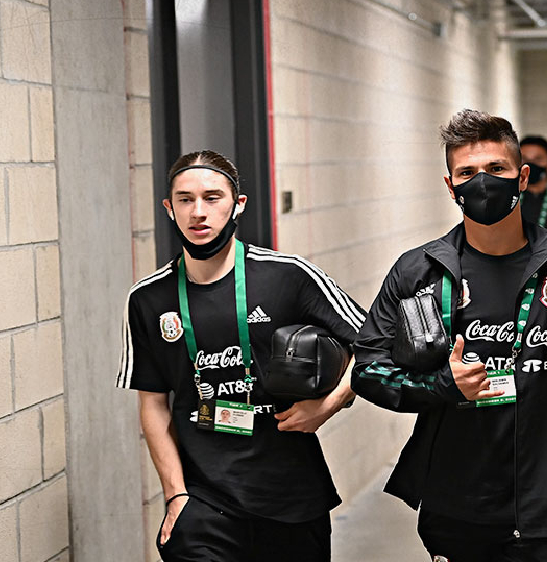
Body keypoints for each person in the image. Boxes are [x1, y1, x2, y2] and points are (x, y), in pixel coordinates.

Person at [351, 110, 547, 562]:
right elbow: (369, 371)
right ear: (450, 187)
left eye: (496, 169)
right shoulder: (418, 271)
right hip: (455, 505)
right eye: (467, 173)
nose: (482, 183)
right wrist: (441, 386)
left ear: (523, 177)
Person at [116, 150, 365, 562]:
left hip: (292, 496)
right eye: (185, 199)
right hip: (204, 501)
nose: (198, 212)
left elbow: (373, 344)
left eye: (212, 198)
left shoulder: (289, 275)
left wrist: (330, 403)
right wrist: (176, 494)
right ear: (169, 208)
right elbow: (154, 405)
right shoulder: (147, 299)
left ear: (238, 204)